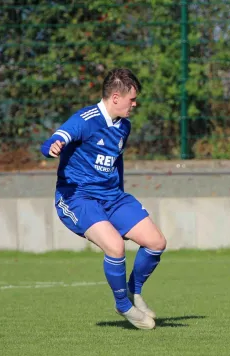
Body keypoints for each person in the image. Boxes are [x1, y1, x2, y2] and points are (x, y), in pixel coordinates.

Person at [40, 68, 166, 330]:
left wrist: (119, 193)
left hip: (112, 196)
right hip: (78, 198)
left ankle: (133, 292)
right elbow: (56, 137)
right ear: (116, 97)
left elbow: (116, 163)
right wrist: (52, 146)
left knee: (156, 242)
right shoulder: (85, 119)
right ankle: (122, 305)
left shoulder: (124, 126)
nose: (135, 104)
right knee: (115, 247)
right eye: (132, 99)